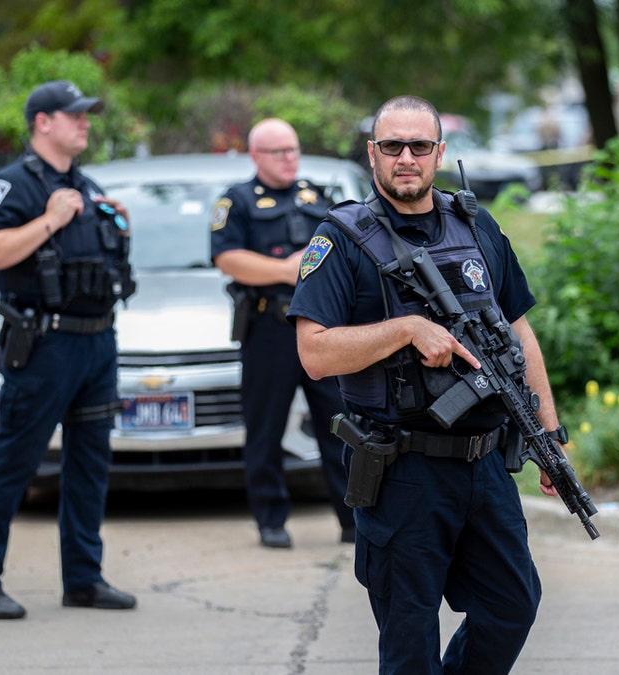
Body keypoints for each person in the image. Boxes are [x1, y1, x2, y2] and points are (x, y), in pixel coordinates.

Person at [288, 95, 565, 673]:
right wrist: (407, 329)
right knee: (410, 644)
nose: (406, 157)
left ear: (440, 153)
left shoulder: (476, 224)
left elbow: (520, 332)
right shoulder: (341, 238)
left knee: (512, 605)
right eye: (392, 146)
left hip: (486, 465)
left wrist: (549, 435)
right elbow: (313, 353)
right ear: (373, 155)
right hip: (402, 472)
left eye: (419, 146)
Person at [0, 80, 138, 620]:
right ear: (43, 122)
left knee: (90, 465)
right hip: (43, 345)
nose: (85, 122)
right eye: (74, 115)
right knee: (13, 463)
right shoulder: (10, 186)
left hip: (96, 342)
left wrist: (118, 222)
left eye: (87, 115)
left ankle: (83, 579)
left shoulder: (87, 185)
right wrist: (49, 221)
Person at [209, 118, 355, 549]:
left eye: (293, 149)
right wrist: (286, 271)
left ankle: (353, 518)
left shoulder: (319, 196)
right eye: (279, 152)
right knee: (265, 429)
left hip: (321, 327)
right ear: (256, 156)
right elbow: (227, 258)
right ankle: (271, 520)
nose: (290, 158)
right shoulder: (235, 202)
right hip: (269, 328)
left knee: (341, 426)